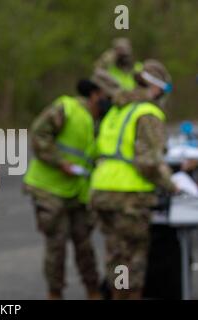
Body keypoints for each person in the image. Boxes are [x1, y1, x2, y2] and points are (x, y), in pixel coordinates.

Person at [23, 69, 120, 300]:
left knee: (85, 247)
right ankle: (55, 293)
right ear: (95, 94)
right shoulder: (66, 108)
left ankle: (93, 291)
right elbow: (38, 136)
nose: (111, 102)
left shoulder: (105, 122)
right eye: (108, 97)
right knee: (57, 247)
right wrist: (60, 162)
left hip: (79, 193)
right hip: (49, 189)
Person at [90, 59, 177, 300]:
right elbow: (148, 162)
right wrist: (173, 185)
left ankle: (117, 294)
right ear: (156, 87)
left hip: (102, 192)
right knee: (133, 260)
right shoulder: (148, 112)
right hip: (129, 197)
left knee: (116, 255)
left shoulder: (118, 108)